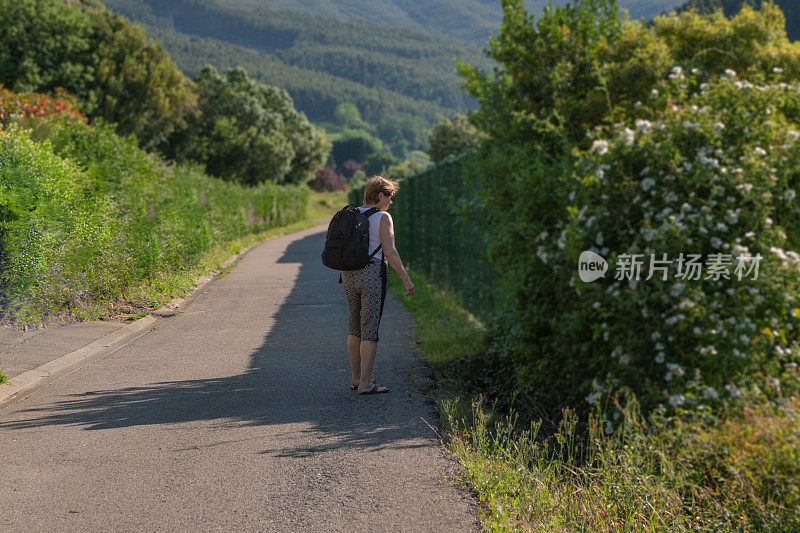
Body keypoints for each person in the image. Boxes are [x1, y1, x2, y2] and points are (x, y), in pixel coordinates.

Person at [342, 176, 415, 395]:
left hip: (348, 274)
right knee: (370, 329)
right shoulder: (383, 217)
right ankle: (365, 383)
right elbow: (390, 253)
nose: (391, 201)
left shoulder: (352, 213)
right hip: (372, 274)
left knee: (354, 326)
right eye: (391, 197)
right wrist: (406, 279)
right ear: (380, 195)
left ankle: (356, 377)